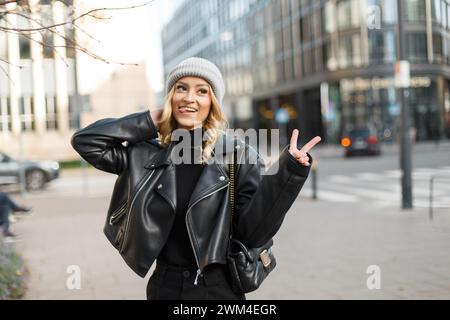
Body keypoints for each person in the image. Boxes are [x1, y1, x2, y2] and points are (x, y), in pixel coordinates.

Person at [71, 57, 321, 300]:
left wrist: (290, 170)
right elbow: (87, 141)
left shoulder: (238, 154)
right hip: (164, 286)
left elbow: (254, 233)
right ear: (171, 96)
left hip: (218, 288)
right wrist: (152, 119)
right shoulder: (145, 155)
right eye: (181, 88)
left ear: (212, 102)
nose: (189, 97)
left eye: (201, 91)